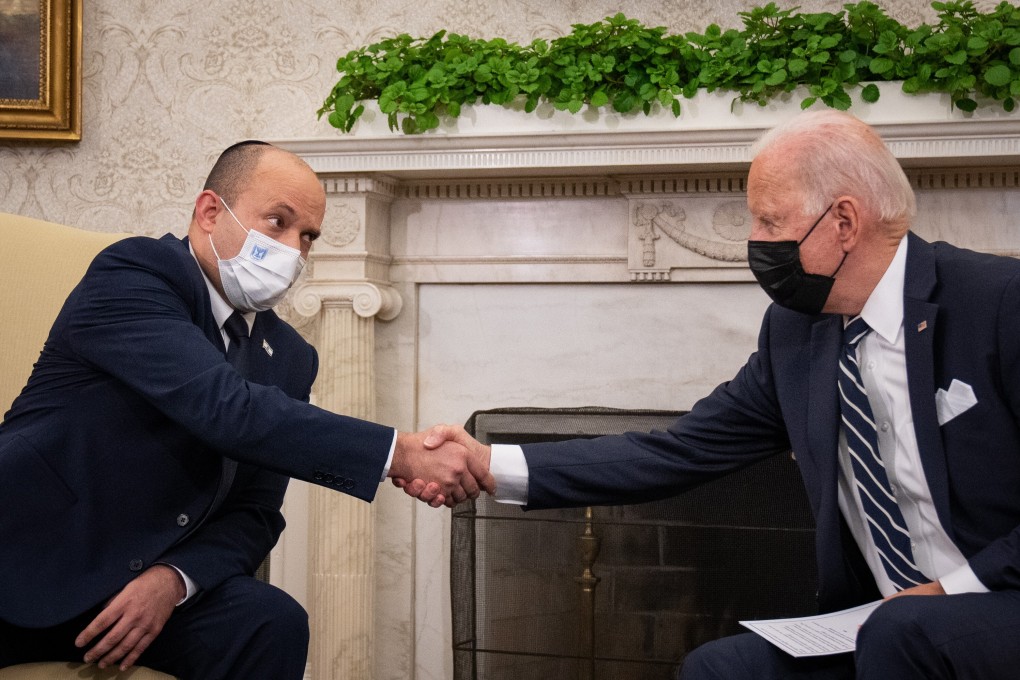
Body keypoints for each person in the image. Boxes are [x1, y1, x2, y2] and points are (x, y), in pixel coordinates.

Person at [410, 110, 1020, 679]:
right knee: (721, 667)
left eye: (770, 222)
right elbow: (680, 450)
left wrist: (944, 593)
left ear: (844, 222)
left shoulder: (999, 303)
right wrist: (488, 464)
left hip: (998, 597)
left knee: (903, 632)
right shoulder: (797, 333)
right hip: (883, 619)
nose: (755, 241)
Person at [0, 140, 493, 679]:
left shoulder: (291, 357)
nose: (293, 251)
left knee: (271, 622)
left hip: (141, 585)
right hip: (26, 557)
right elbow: (225, 408)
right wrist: (401, 453)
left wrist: (173, 579)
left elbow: (256, 511)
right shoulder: (135, 273)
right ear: (210, 212)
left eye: (307, 236)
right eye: (278, 222)